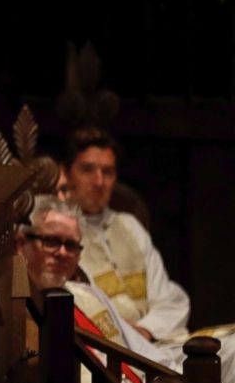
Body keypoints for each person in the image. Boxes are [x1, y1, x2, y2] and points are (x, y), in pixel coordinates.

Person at [17, 196, 235, 383]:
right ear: (21, 244)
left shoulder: (87, 294)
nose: (61, 253)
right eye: (50, 241)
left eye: (71, 246)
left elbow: (143, 353)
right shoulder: (18, 314)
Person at [63, 127, 189, 341]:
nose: (99, 181)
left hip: (154, 341)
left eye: (107, 172)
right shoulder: (62, 236)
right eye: (87, 169)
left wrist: (145, 331)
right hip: (107, 351)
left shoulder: (129, 226)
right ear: (66, 173)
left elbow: (169, 299)